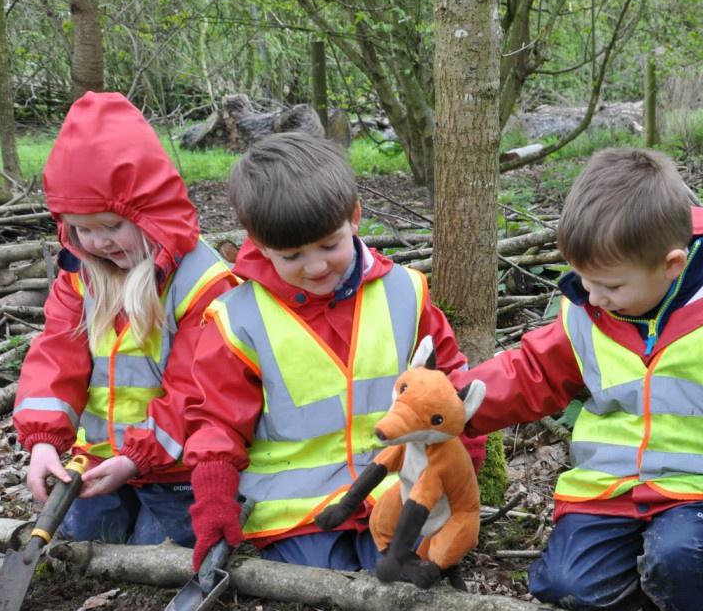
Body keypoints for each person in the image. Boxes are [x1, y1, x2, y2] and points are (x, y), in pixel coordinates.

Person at [459, 147, 703, 611]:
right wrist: (454, 404)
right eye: (584, 280)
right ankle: (651, 589)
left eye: (611, 286)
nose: (593, 296)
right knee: (565, 585)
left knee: (685, 562)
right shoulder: (588, 309)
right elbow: (529, 371)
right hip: (609, 489)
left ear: (671, 264)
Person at [183, 132, 483, 572]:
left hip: (399, 488)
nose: (317, 266)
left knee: (406, 569)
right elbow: (215, 421)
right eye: (292, 256)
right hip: (295, 515)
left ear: (354, 217)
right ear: (259, 245)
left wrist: (464, 463)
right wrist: (214, 499)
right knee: (324, 580)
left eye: (329, 245)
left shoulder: (405, 291)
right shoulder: (237, 319)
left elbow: (449, 385)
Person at [13, 92, 239, 546]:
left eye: (111, 225)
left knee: (158, 556)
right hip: (98, 460)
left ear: (151, 212)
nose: (98, 243)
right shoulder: (80, 278)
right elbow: (56, 357)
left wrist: (139, 456)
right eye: (82, 229)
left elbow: (198, 389)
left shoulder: (202, 282)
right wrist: (43, 441)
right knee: (85, 546)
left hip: (175, 466)